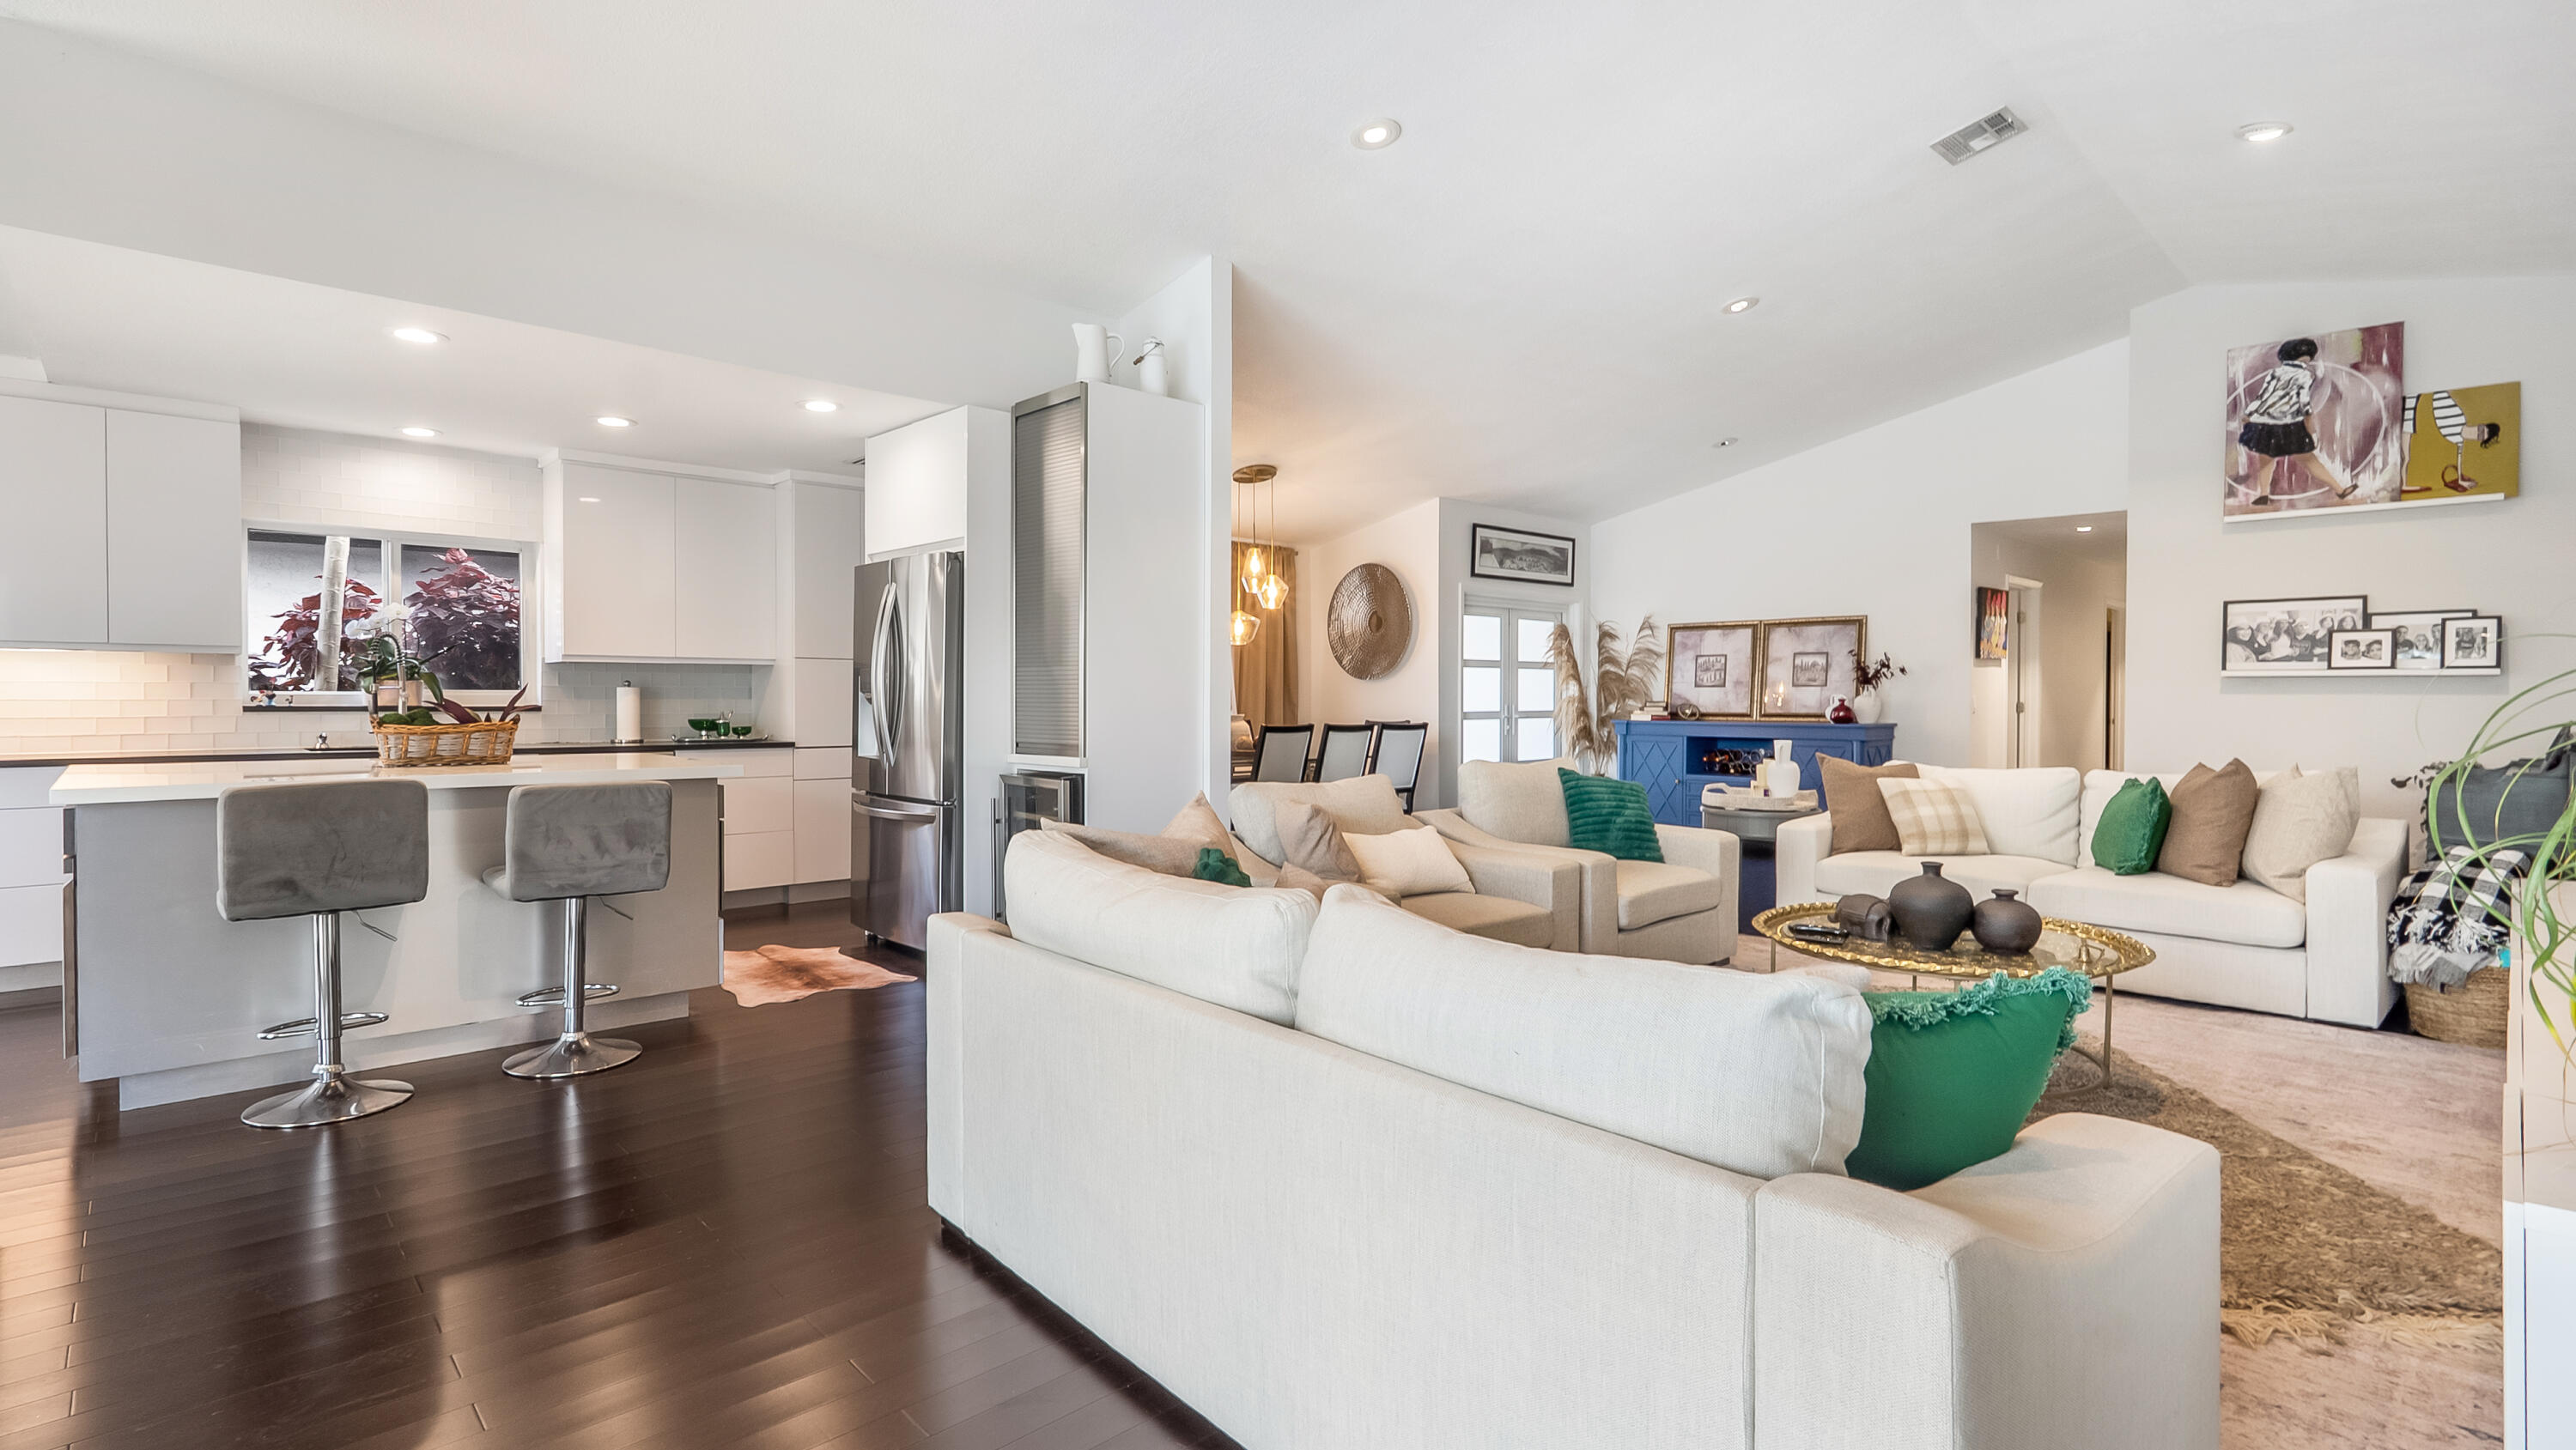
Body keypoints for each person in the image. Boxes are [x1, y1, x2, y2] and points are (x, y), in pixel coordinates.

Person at [2235, 338, 2358, 507]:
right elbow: (2303, 401)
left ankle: (2263, 494)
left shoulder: (2275, 373)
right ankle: (2339, 489)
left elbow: (2264, 395)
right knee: (2308, 459)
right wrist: (2308, 419)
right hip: (2288, 423)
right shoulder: (2305, 375)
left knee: (2266, 458)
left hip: (2265, 421)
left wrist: (2249, 412)